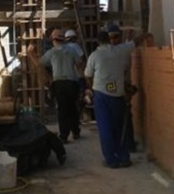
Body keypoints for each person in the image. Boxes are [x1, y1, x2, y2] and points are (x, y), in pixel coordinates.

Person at [84, 23, 147, 169]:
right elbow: (135, 42)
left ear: (98, 42)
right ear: (108, 39)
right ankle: (124, 157)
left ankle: (111, 160)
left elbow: (87, 75)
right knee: (120, 127)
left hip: (101, 95)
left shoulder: (95, 55)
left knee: (105, 127)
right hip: (118, 94)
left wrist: (92, 86)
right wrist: (145, 35)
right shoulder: (121, 50)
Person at [37, 29, 83, 142]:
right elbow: (79, 65)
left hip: (59, 84)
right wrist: (83, 82)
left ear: (53, 40)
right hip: (72, 82)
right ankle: (76, 132)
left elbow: (40, 64)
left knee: (62, 111)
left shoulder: (51, 53)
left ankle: (64, 136)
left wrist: (31, 54)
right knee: (73, 108)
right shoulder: (72, 51)